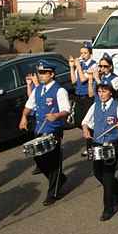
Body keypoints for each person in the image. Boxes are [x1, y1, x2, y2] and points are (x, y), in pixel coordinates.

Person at [18, 60, 70, 206]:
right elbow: (29, 106)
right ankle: (59, 178)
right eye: (39, 73)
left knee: (53, 160)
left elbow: (66, 109)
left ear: (51, 74)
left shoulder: (59, 91)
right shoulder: (37, 89)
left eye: (43, 73)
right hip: (39, 128)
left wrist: (56, 115)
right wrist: (24, 117)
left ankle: (53, 193)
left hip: (54, 129)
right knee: (39, 159)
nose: (40, 76)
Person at [82, 81, 118, 221]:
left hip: (111, 145)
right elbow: (85, 121)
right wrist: (85, 129)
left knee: (108, 175)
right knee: (98, 173)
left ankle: (108, 208)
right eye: (99, 91)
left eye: (104, 91)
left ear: (110, 92)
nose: (101, 94)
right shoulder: (95, 105)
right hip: (97, 143)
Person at [69, 41, 97, 128]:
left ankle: (92, 136)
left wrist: (78, 66)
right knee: (77, 120)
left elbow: (83, 79)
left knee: (88, 121)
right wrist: (71, 67)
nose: (82, 55)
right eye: (81, 53)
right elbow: (74, 80)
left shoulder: (94, 65)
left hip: (88, 96)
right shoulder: (80, 65)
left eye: (85, 53)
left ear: (90, 54)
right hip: (78, 95)